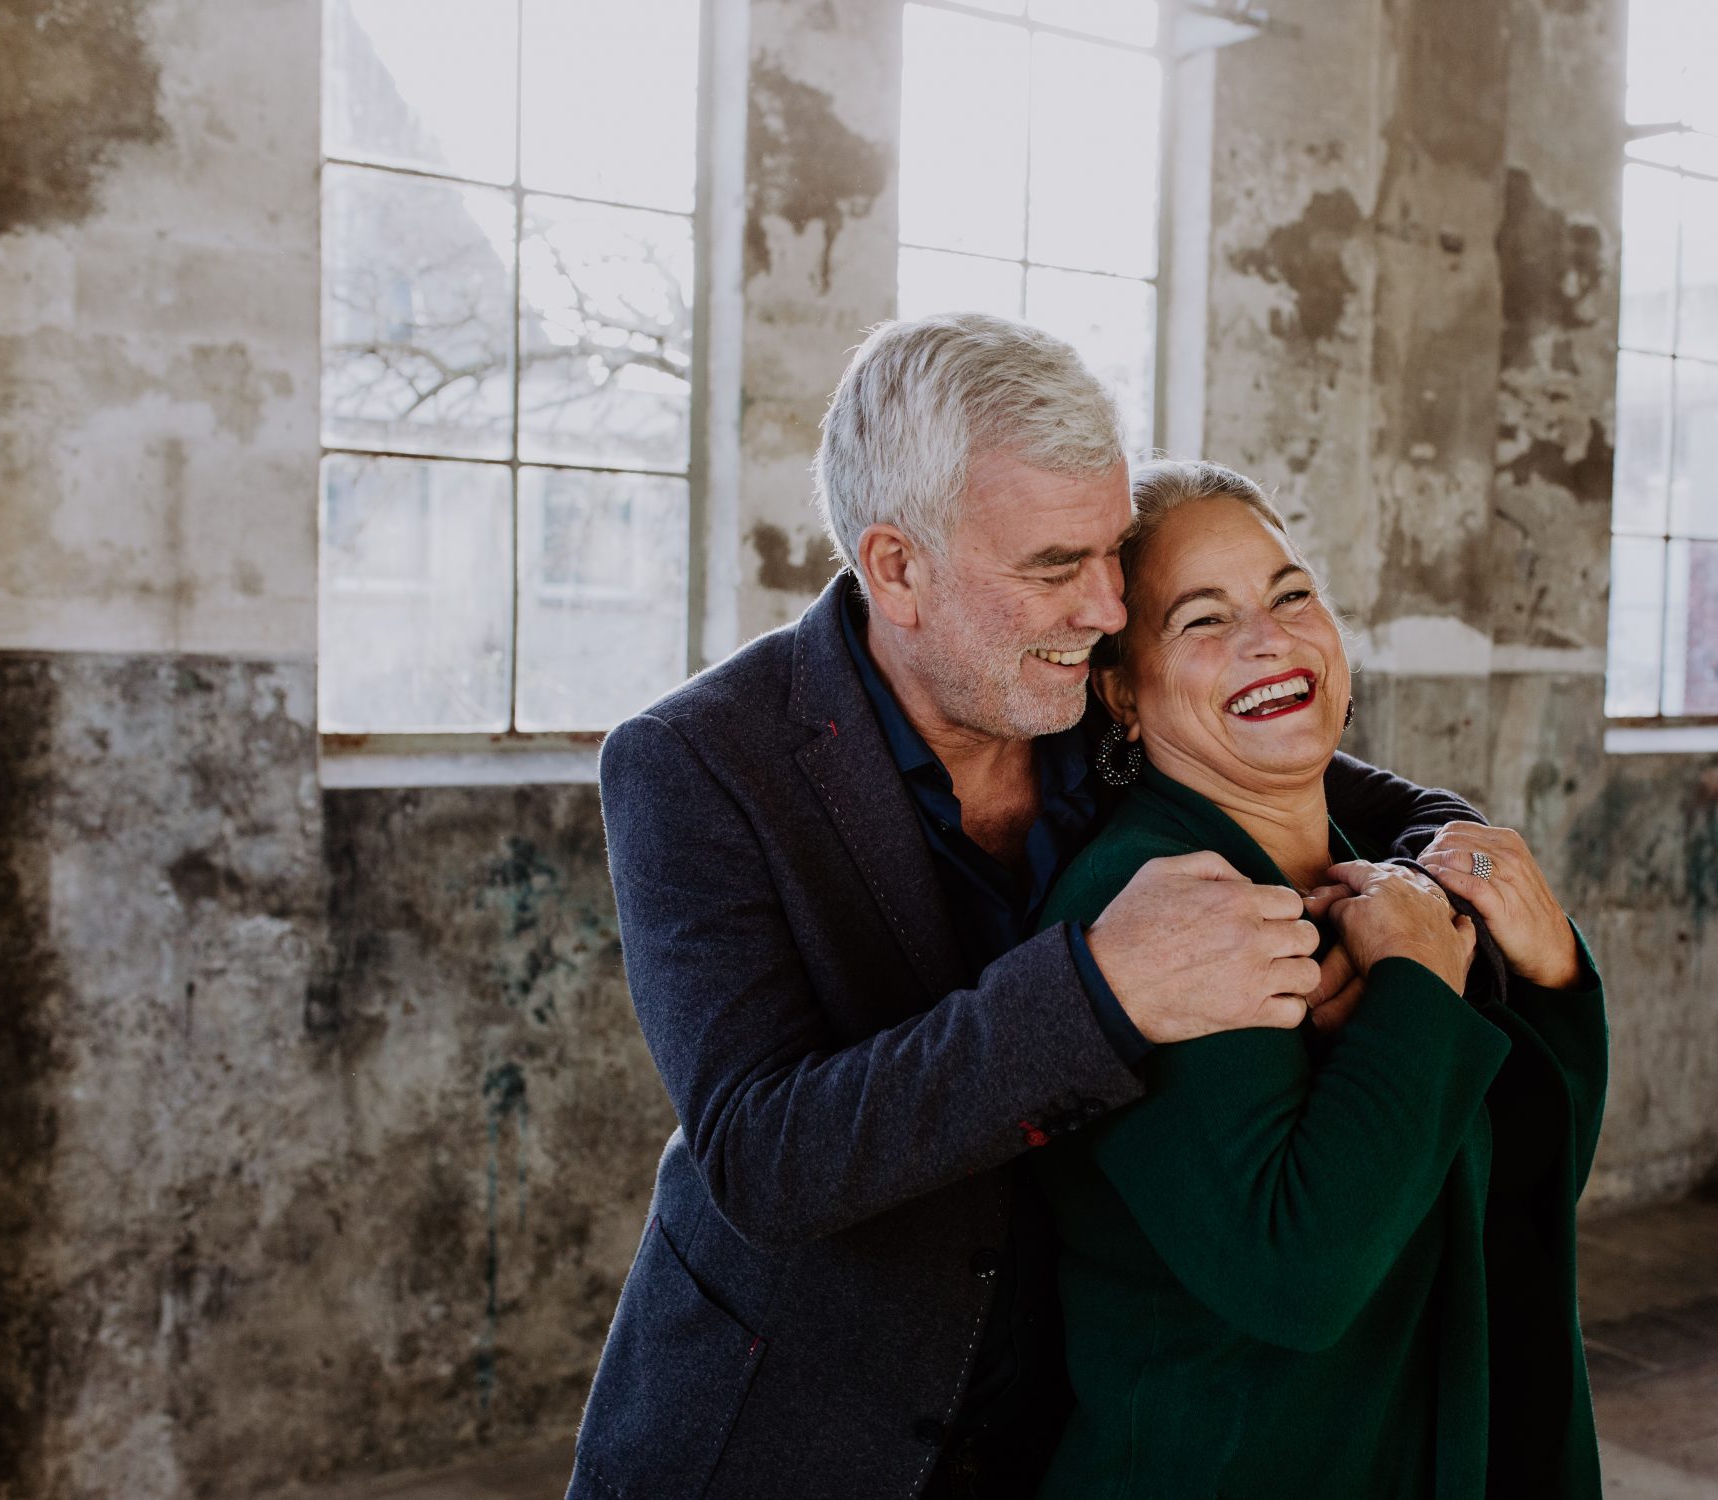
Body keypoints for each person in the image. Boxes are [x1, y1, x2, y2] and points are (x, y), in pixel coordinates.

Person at [566, 315, 1490, 1499]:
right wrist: (1100, 994)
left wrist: (1443, 860)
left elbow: (1337, 773)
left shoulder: (1086, 692)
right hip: (789, 1430)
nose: (1106, 606)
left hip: (1052, 1427)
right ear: (897, 568)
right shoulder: (695, 762)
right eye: (1055, 567)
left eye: (1112, 553)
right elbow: (763, 1153)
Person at [1032, 460, 1610, 1499]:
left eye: (1291, 594)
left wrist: (1553, 972)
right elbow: (1302, 1276)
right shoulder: (1150, 902)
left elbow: (1514, 1187)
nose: (1268, 639)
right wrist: (1415, 990)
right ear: (1122, 693)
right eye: (1203, 619)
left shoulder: (1380, 882)